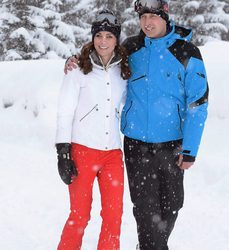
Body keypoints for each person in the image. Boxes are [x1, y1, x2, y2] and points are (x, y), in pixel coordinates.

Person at [65, 1, 209, 249]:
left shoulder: (187, 52)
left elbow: (198, 103)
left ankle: (153, 244)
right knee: (145, 208)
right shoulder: (130, 47)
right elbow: (101, 55)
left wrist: (190, 148)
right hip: (137, 145)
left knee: (172, 205)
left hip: (172, 144)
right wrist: (73, 61)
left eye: (153, 17)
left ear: (166, 16)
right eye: (143, 17)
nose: (147, 23)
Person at [55, 9, 130, 250]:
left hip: (112, 153)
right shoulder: (78, 69)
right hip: (82, 151)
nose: (103, 41)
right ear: (92, 37)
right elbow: (65, 111)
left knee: (113, 216)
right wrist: (63, 151)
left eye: (109, 36)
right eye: (99, 36)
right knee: (79, 214)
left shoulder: (124, 71)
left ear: (116, 39)